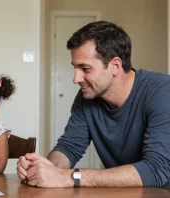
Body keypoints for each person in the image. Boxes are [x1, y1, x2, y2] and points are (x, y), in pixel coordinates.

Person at [17, 21, 170, 190]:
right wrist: (46, 168)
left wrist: (69, 177)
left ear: (115, 66)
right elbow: (69, 147)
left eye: (85, 68)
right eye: (75, 68)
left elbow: (156, 170)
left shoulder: (162, 92)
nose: (76, 79)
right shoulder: (87, 96)